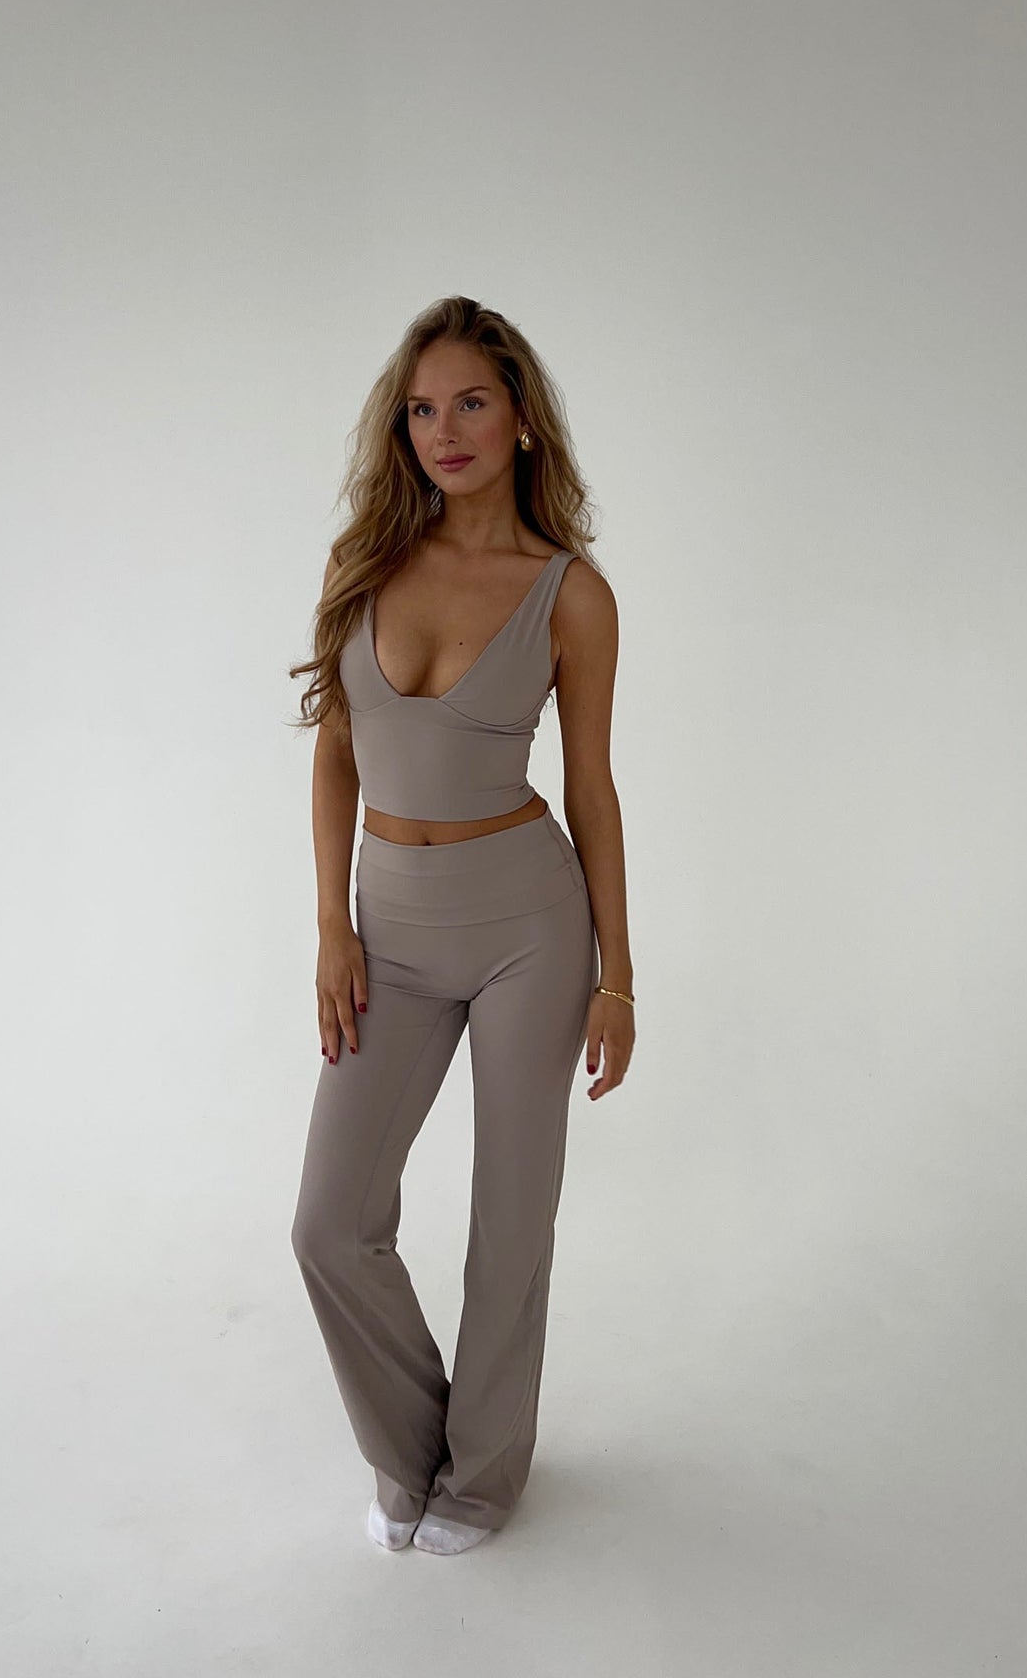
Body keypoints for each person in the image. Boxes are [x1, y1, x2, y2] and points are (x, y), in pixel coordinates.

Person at [287, 295, 635, 1556]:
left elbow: (591, 790)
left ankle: (484, 1480)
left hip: (529, 925)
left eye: (471, 402)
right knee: (330, 1226)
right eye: (422, 409)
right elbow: (337, 755)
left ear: (521, 418)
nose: (445, 430)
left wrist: (619, 977)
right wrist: (332, 927)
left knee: (510, 1224)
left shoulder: (569, 594)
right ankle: (414, 1450)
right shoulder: (364, 565)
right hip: (389, 924)